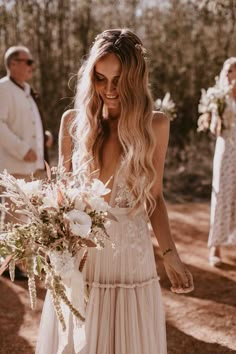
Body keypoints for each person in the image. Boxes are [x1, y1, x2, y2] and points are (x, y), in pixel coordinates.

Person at [36, 29, 194, 354]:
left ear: (136, 78)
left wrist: (170, 254)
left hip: (130, 259)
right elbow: (62, 196)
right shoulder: (72, 123)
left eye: (119, 79)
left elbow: (154, 198)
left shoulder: (155, 126)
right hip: (83, 259)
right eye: (100, 78)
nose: (109, 89)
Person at [0, 45, 52, 280]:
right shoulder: (2, 89)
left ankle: (30, 262)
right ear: (13, 64)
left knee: (33, 216)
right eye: (27, 62)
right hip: (14, 167)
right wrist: (22, 150)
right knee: (14, 217)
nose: (32, 66)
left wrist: (44, 137)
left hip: (35, 167)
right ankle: (12, 266)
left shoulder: (27, 91)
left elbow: (30, 124)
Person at [208, 57, 236, 267]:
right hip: (226, 150)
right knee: (221, 194)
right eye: (227, 71)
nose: (229, 75)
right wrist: (216, 116)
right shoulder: (217, 96)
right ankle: (215, 246)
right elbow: (213, 129)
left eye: (233, 71)